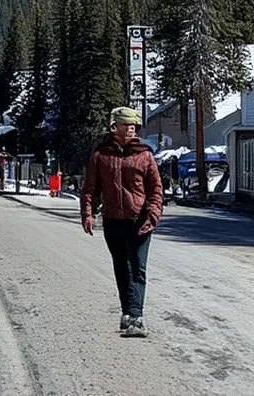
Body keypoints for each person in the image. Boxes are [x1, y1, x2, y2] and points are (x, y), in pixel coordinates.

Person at [81, 106, 163, 338]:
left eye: (133, 125)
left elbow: (156, 189)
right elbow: (89, 189)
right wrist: (87, 214)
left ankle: (136, 317)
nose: (130, 129)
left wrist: (153, 215)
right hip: (112, 221)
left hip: (139, 221)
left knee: (137, 266)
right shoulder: (101, 155)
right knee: (121, 267)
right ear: (114, 127)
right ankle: (127, 312)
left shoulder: (144, 155)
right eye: (126, 124)